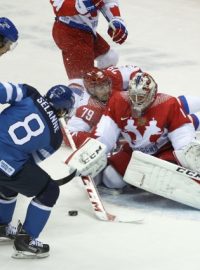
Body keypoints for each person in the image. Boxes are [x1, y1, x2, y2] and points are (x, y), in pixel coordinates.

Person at [78, 71, 200, 189]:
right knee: (111, 179)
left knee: (164, 175)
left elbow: (182, 135)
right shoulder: (118, 101)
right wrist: (90, 154)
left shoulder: (168, 103)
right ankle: (138, 177)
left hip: (163, 151)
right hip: (135, 152)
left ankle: (143, 177)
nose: (136, 101)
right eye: (133, 95)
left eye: (140, 97)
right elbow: (104, 133)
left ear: (152, 94)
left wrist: (187, 152)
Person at [0, 83, 75, 258]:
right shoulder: (56, 138)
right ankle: (26, 241)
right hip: (7, 165)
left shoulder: (29, 93)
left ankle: (2, 226)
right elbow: (30, 162)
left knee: (11, 182)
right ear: (63, 110)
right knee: (48, 191)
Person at [50, 0, 128, 79]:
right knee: (82, 80)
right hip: (69, 32)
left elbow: (107, 1)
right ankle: (91, 87)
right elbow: (58, 6)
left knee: (109, 58)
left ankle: (100, 86)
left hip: (87, 30)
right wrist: (87, 4)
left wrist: (116, 19)